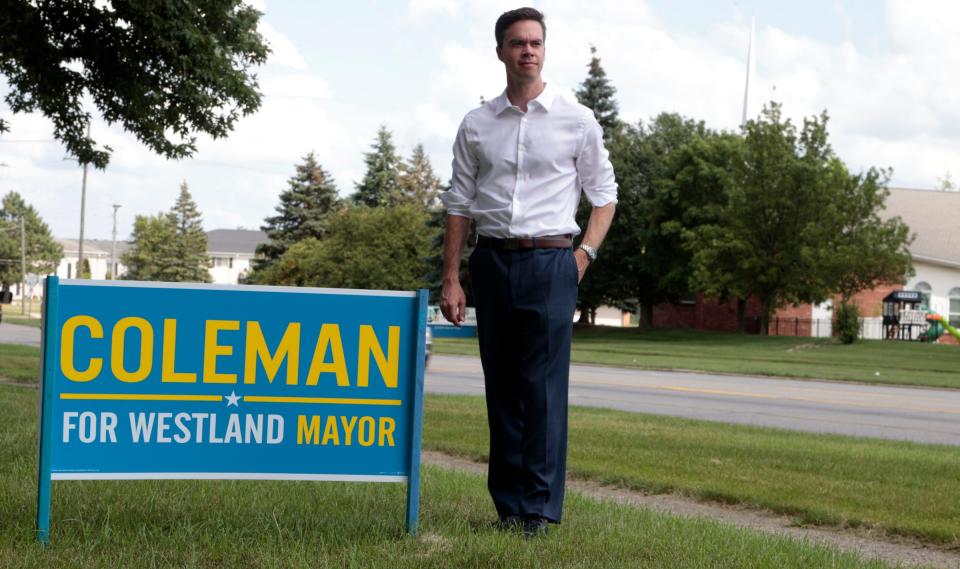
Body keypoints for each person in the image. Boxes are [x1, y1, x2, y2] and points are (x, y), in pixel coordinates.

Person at [438, 7, 617, 538]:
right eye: (517, 43)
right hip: (492, 262)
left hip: (551, 262)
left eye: (536, 42)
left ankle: (538, 510)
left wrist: (583, 255)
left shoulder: (576, 119)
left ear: (545, 49)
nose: (528, 51)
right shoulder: (476, 124)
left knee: (541, 389)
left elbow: (604, 195)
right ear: (501, 51)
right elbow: (458, 204)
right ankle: (508, 508)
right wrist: (452, 277)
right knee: (502, 386)